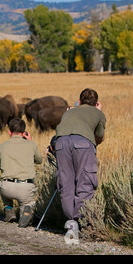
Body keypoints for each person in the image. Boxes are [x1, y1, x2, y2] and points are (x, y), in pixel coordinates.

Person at [55, 88, 106, 234]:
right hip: (83, 144)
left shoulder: (69, 112)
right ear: (96, 102)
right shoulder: (98, 113)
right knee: (85, 181)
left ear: (80, 100)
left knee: (66, 183)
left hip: (61, 143)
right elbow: (99, 137)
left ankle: (71, 225)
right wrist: (99, 111)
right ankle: (81, 222)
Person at [0, 118, 44, 227]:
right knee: (28, 203)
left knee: (2, 184)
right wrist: (30, 141)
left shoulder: (2, 146)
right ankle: (26, 212)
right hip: (25, 187)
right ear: (24, 133)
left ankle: (9, 211)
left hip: (7, 188)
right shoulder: (31, 145)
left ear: (9, 132)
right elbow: (39, 160)